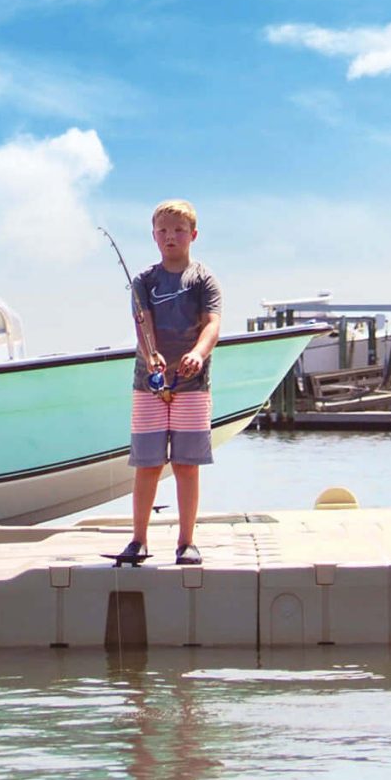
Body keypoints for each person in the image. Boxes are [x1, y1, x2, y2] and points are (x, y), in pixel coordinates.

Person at [118, 199, 222, 566]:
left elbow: (212, 323)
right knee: (147, 463)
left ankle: (186, 541)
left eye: (178, 230)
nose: (170, 237)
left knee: (185, 464)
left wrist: (198, 353)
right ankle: (139, 539)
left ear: (193, 235)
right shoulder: (144, 281)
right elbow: (142, 321)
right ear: (153, 236)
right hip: (149, 384)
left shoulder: (203, 279)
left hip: (192, 385)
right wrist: (151, 358)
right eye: (163, 231)